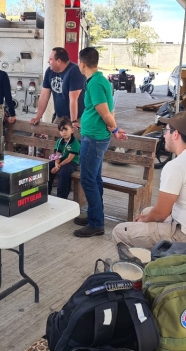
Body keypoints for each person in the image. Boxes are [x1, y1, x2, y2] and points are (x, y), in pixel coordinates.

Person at [112, 112, 186, 253]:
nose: (164, 135)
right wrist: (146, 218)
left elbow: (161, 214)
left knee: (120, 231)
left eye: (166, 131)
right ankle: (152, 259)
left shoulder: (176, 166)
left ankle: (139, 271)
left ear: (175, 134)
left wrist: (143, 221)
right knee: (146, 212)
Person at [73, 47, 126, 238]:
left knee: (87, 179)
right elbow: (110, 111)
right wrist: (114, 128)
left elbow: (104, 112)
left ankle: (96, 223)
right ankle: (95, 215)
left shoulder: (95, 83)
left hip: (94, 137)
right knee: (94, 179)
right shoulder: (101, 80)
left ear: (82, 63)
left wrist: (115, 129)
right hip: (94, 134)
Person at [30, 47, 85, 126]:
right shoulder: (49, 71)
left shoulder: (75, 71)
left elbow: (73, 99)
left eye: (51, 59)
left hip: (76, 117)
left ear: (59, 61)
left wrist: (73, 121)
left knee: (72, 137)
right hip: (60, 116)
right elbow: (44, 95)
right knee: (52, 136)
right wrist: (38, 117)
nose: (48, 61)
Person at [48, 117, 80, 199]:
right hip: (60, 160)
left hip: (71, 162)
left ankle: (62, 197)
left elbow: (69, 159)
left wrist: (58, 167)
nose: (64, 132)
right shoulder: (59, 141)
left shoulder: (75, 142)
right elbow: (57, 155)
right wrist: (56, 164)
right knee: (47, 168)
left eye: (66, 130)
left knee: (63, 173)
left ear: (72, 130)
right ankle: (46, 192)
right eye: (61, 130)